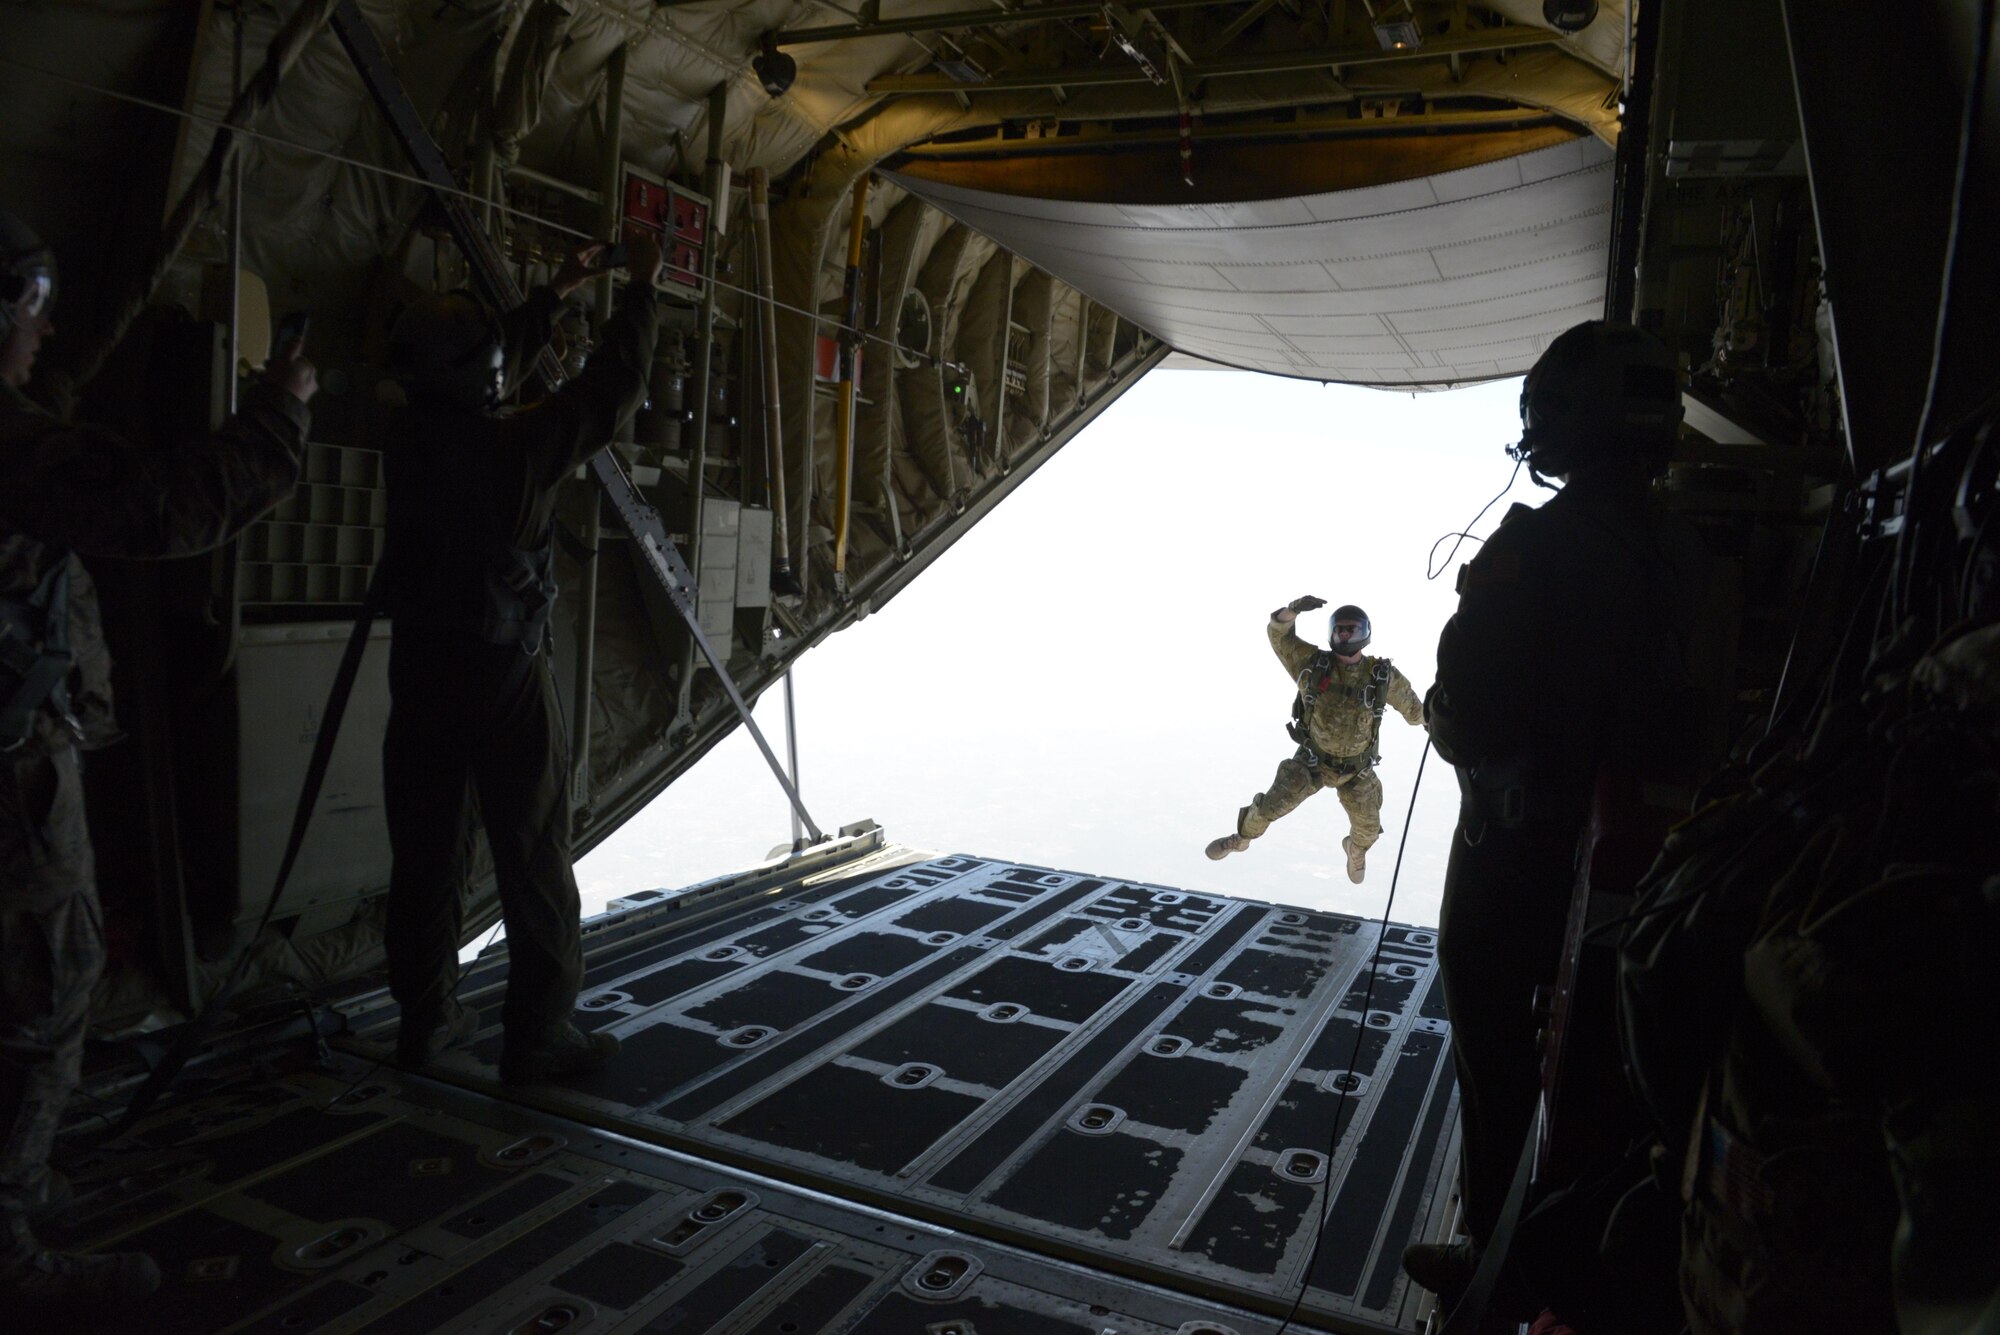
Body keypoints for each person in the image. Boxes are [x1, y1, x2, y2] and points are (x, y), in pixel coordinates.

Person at [0, 207, 316, 1305]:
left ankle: (19, 1183)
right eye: (31, 308)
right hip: (13, 776)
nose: (41, 334)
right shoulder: (13, 441)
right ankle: (9, 1251)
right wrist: (277, 417)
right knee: (45, 990)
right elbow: (159, 506)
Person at [1405, 320, 1709, 1306]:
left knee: (1496, 1053)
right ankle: (1585, 1243)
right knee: (1602, 1064)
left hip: (1517, 851)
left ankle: (1493, 1252)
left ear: (1556, 425)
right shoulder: (1695, 550)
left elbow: (1461, 715)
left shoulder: (1532, 548)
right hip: (1647, 854)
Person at [381, 232, 660, 1085]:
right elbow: (612, 390)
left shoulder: (404, 435)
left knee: (427, 852)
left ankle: (426, 1019)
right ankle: (538, 1031)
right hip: (501, 672)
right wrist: (641, 291)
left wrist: (555, 293)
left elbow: (464, 371)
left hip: (421, 669)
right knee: (533, 845)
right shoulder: (519, 451)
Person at [1206, 598, 1425, 883]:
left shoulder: (1382, 676)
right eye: (1341, 629)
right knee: (1269, 807)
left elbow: (1415, 711)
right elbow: (1280, 637)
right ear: (1332, 633)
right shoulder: (1313, 664)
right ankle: (1242, 838)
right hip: (1313, 762)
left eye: (1353, 630)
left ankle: (1355, 850)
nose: (1345, 635)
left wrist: (1436, 722)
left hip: (1356, 771)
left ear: (1365, 634)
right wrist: (1292, 610)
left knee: (1368, 829)